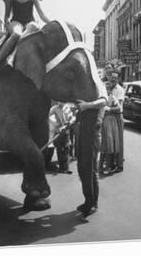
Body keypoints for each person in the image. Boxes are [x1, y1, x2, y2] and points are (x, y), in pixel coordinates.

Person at [75, 81, 107, 216]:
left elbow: (104, 101)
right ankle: (89, 200)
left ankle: (92, 202)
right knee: (82, 168)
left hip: (93, 132)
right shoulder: (84, 87)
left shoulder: (99, 85)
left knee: (90, 168)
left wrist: (86, 105)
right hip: (83, 132)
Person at [46, 102, 75, 174]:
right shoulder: (55, 108)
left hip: (65, 130)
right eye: (58, 101)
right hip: (57, 131)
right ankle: (61, 168)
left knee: (66, 148)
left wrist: (67, 125)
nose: (60, 102)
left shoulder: (67, 108)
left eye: (61, 101)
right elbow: (47, 115)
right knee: (59, 149)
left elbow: (72, 118)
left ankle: (65, 167)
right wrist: (54, 124)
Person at [100, 82, 122, 172]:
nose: (107, 90)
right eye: (105, 89)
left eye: (108, 89)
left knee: (110, 143)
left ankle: (109, 165)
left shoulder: (112, 97)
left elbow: (119, 108)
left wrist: (109, 109)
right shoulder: (101, 98)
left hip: (111, 122)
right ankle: (101, 166)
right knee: (104, 144)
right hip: (103, 121)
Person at [108, 72, 125, 172]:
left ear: (118, 79)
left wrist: (108, 109)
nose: (113, 79)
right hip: (110, 116)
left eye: (115, 78)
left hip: (117, 116)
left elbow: (119, 107)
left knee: (119, 141)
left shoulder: (120, 90)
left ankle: (119, 165)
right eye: (112, 77)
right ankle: (112, 163)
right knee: (111, 141)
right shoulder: (109, 88)